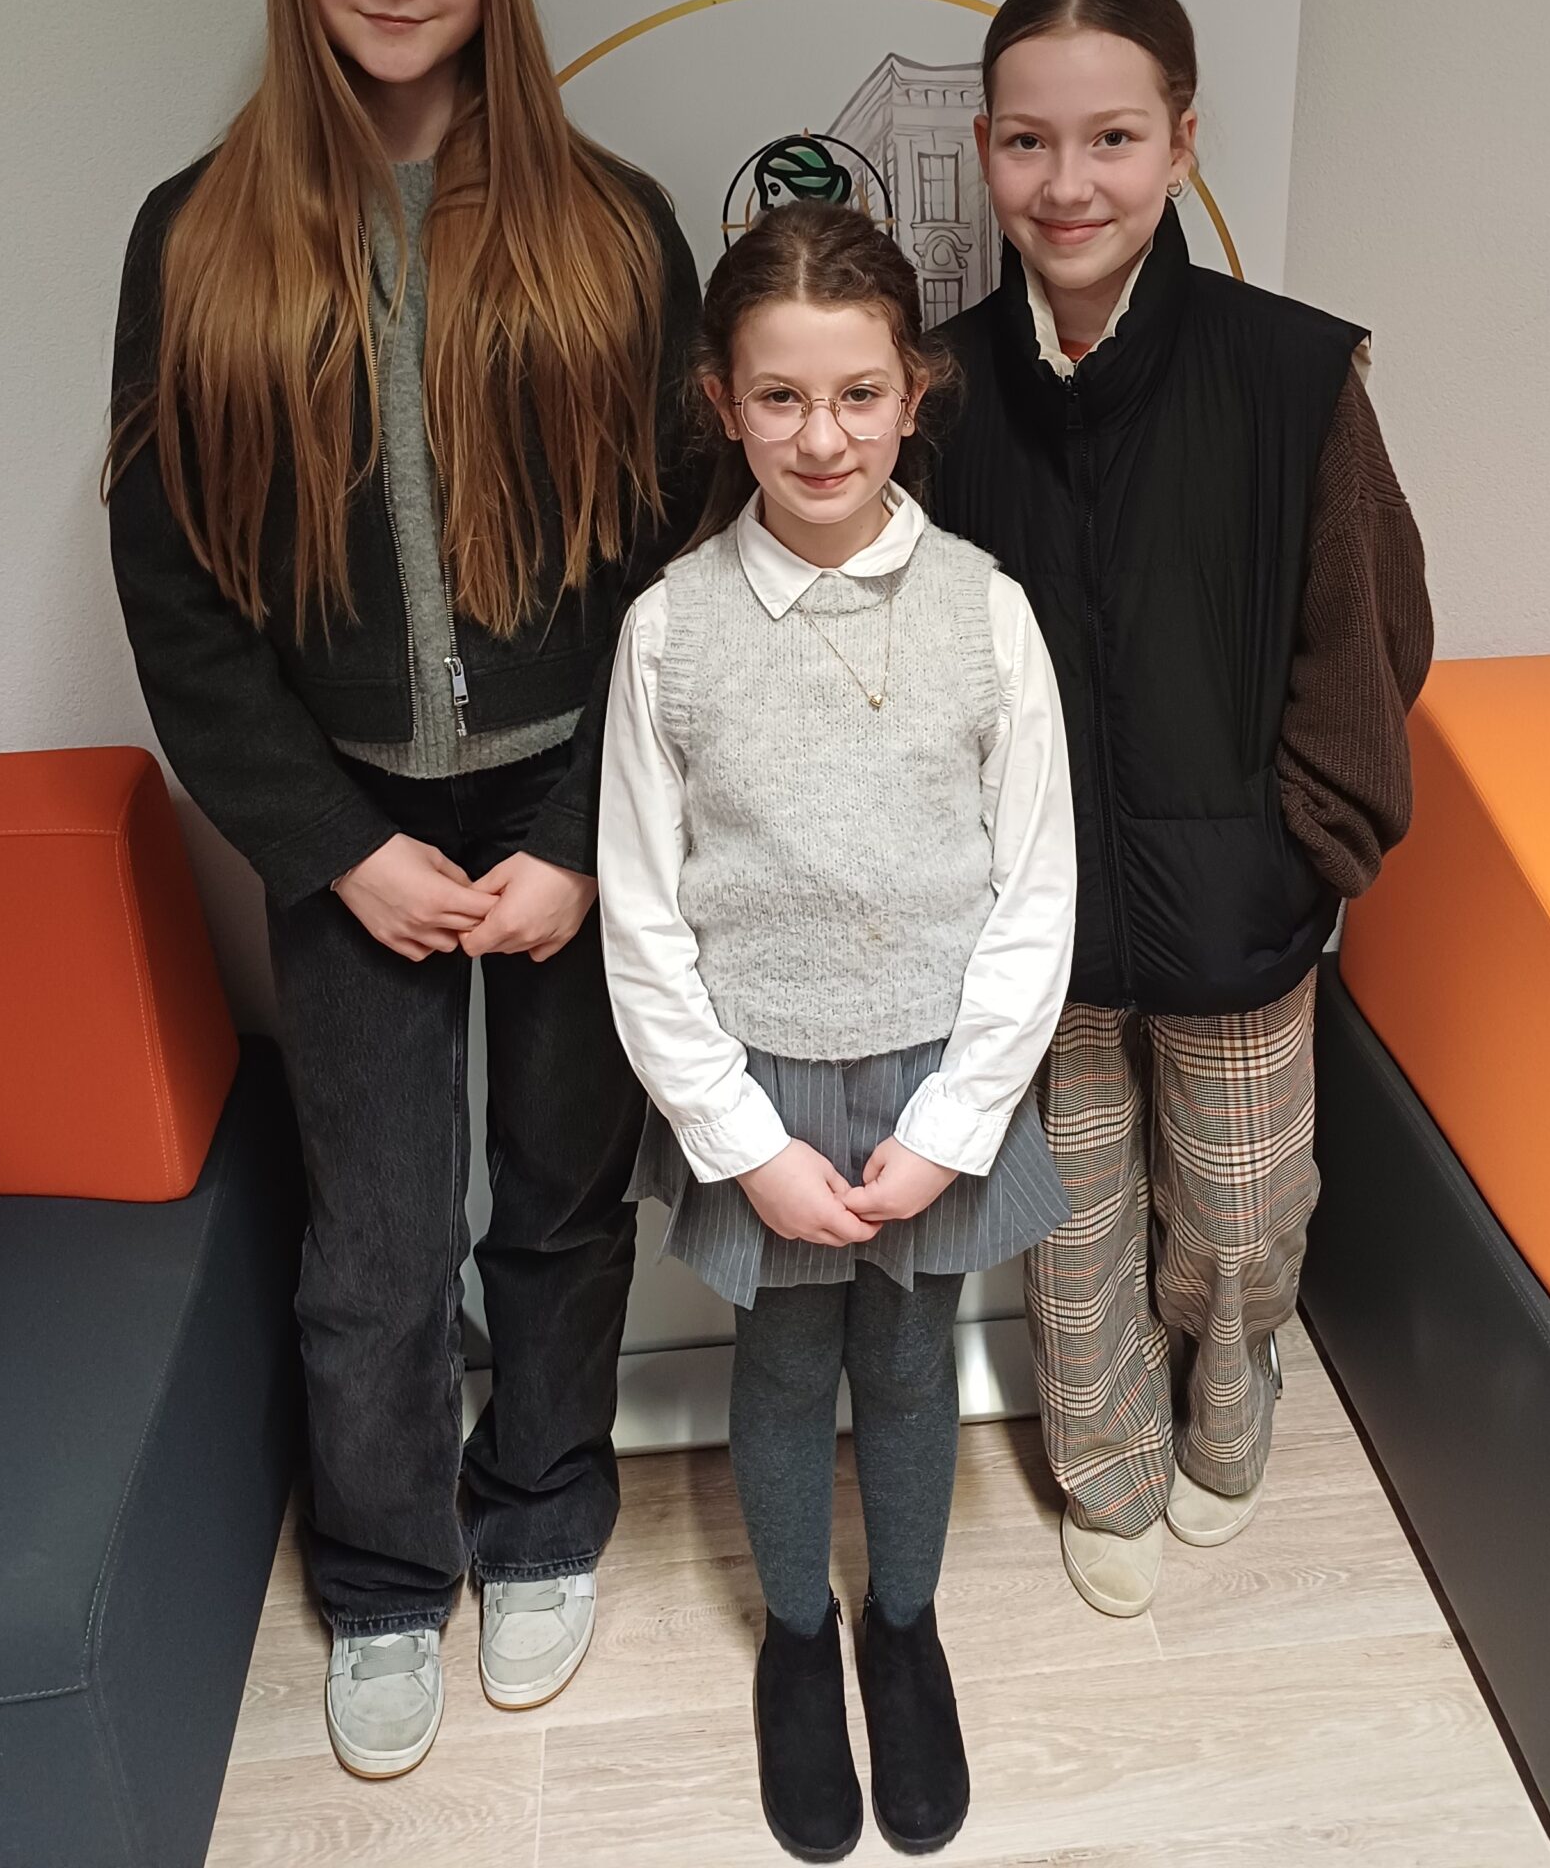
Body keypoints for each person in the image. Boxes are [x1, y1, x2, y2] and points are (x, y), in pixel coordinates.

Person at [105, 0, 700, 1777]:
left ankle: (542, 1511)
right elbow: (174, 586)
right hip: (344, 816)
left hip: (564, 801)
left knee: (560, 1195)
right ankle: (381, 1568)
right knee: (373, 1234)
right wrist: (333, 845)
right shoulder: (194, 239)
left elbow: (672, 564)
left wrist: (582, 838)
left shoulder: (612, 224)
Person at [915, 0, 1433, 1623]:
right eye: (1028, 141)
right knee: (1072, 1236)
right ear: (986, 150)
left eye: (1113, 138)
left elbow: (1372, 635)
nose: (1067, 184)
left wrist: (1306, 852)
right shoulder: (931, 397)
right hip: (1032, 937)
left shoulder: (1292, 377)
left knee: (1239, 1215)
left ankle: (1235, 1388)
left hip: (1239, 916)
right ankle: (1106, 1468)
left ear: (1182, 143)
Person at [599, 200, 1075, 1860]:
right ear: (722, 404)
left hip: (941, 1077)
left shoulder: (987, 612)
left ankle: (904, 1628)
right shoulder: (669, 629)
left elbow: (1035, 893)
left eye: (859, 394)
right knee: (788, 1363)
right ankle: (798, 1640)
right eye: (781, 397)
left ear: (914, 393)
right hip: (762, 1086)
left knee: (914, 1358)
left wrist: (954, 1123)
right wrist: (743, 1144)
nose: (822, 437)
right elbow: (644, 920)